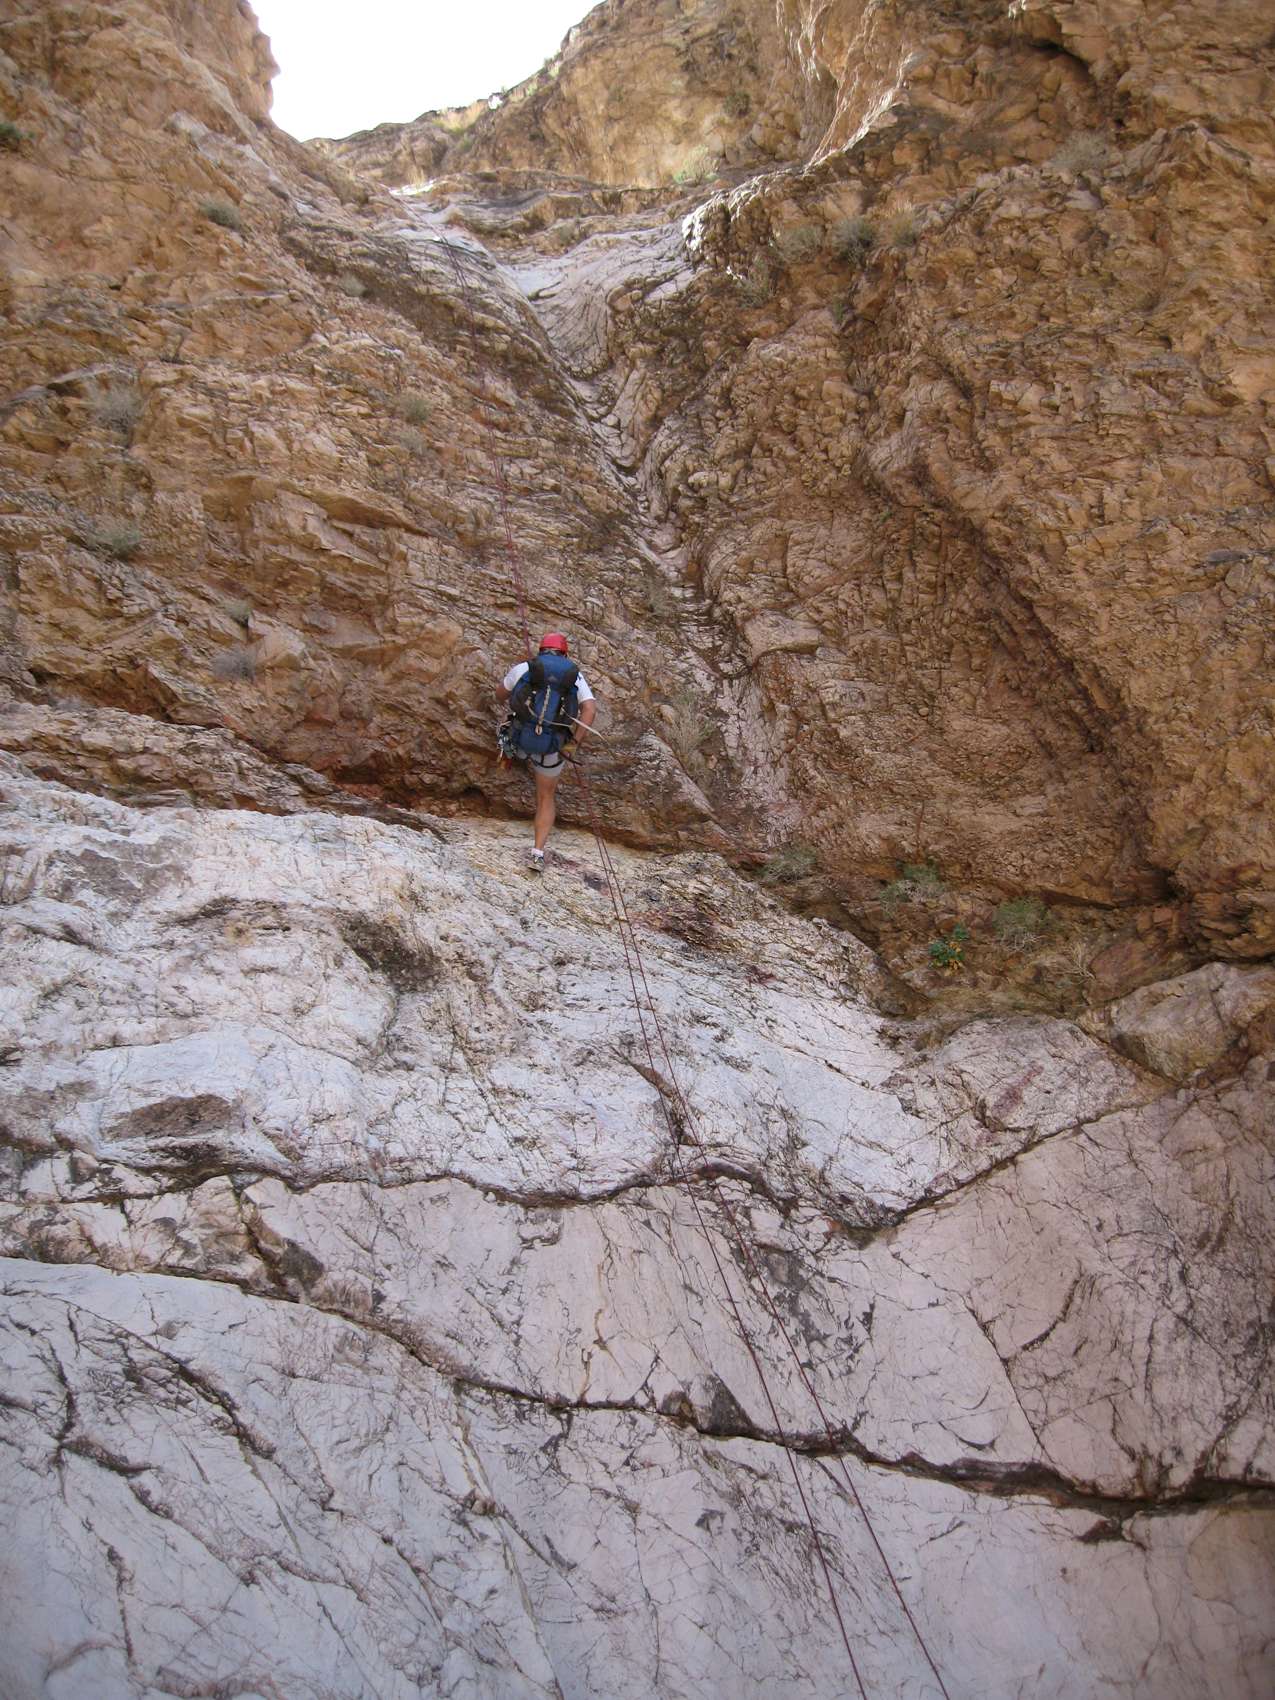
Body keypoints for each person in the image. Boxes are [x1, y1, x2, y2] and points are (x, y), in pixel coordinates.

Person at [497, 632, 597, 868]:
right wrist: (573, 744)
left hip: (521, 739)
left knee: (505, 728)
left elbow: (499, 694)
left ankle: (506, 758)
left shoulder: (526, 667)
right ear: (565, 654)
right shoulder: (574, 676)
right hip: (551, 746)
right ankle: (537, 853)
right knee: (545, 796)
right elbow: (590, 710)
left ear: (541, 649)